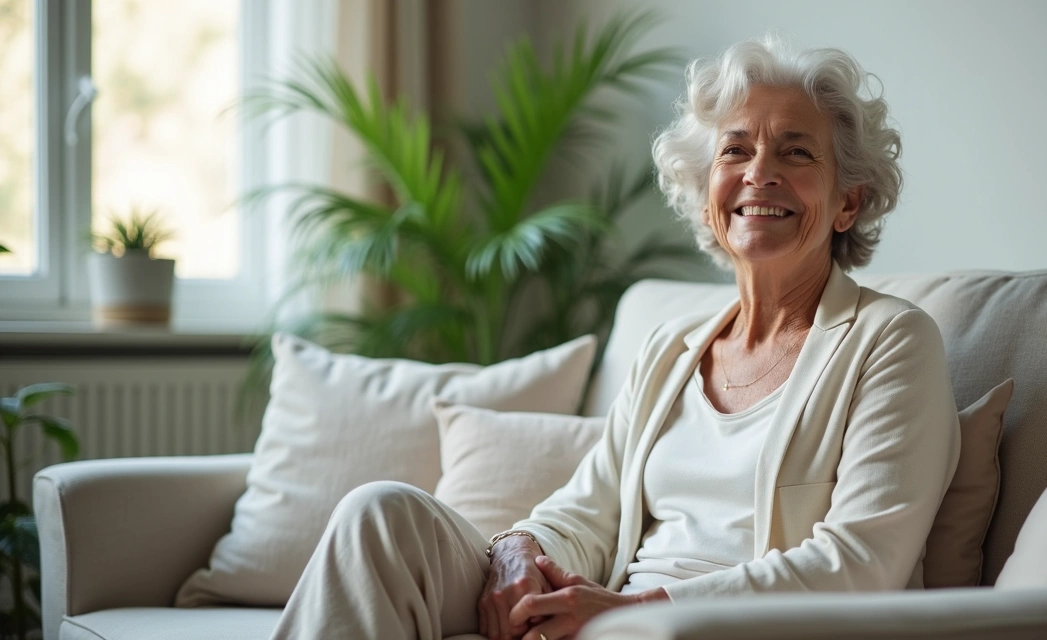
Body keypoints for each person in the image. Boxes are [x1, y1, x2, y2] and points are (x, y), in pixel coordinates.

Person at [269, 34, 960, 640]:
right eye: (736, 150)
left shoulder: (891, 342)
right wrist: (517, 548)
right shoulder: (672, 348)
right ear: (706, 188)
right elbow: (589, 510)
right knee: (380, 515)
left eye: (796, 151)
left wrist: (638, 609)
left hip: (710, 625)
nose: (759, 172)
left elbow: (861, 565)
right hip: (607, 617)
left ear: (849, 200)